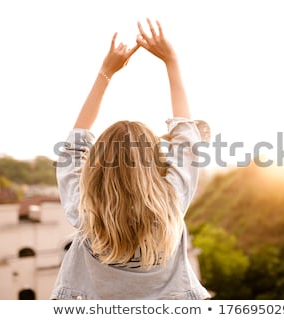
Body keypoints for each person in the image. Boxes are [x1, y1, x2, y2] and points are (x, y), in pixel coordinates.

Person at [51, 19, 211, 300]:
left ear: (96, 167)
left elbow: (73, 147)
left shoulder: (84, 211)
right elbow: (187, 136)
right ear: (154, 163)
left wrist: (106, 73)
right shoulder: (171, 202)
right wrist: (171, 61)